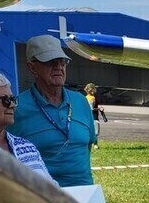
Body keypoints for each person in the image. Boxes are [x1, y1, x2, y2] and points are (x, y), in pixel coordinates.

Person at [9, 35, 96, 187]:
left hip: (84, 194)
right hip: (40, 197)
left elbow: (87, 146)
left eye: (62, 62)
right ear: (32, 67)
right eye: (50, 62)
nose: (58, 67)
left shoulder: (80, 101)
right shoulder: (16, 107)